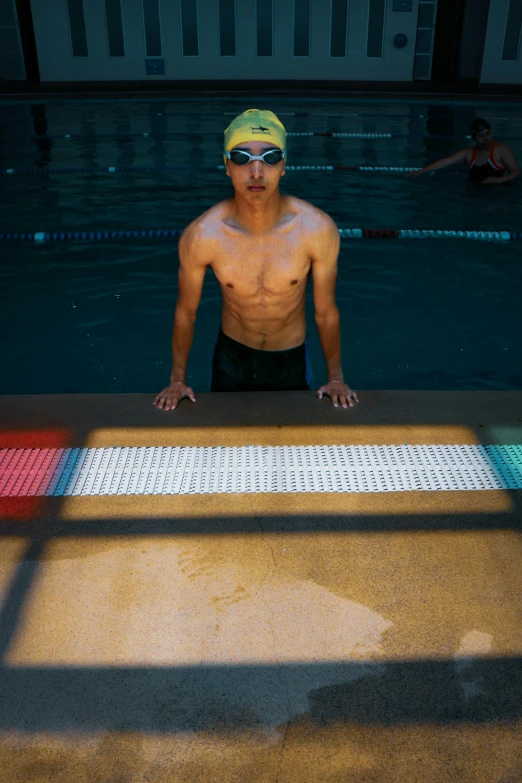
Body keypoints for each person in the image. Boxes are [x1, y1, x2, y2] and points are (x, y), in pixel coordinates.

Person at [153, 108, 359, 412]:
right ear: (226, 166)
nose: (256, 172)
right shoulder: (203, 235)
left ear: (284, 165)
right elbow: (186, 312)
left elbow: (326, 312)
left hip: (290, 360)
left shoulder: (316, 229)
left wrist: (336, 377)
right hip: (232, 359)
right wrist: (177, 380)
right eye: (241, 158)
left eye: (270, 157)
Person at [405, 118, 520, 184]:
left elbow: (515, 171)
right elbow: (444, 162)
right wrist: (420, 172)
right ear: (474, 138)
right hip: (473, 194)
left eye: (488, 134)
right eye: (481, 136)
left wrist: (498, 180)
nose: (486, 138)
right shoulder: (468, 153)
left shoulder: (500, 149)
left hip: (498, 196)